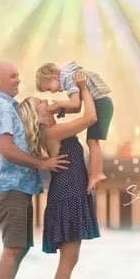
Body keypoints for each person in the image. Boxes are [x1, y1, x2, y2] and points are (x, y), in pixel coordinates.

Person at [0, 60, 68, 279]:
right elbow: (7, 150)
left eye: (18, 76)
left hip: (19, 186)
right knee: (13, 247)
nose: (18, 80)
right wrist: (42, 163)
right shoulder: (2, 110)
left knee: (20, 246)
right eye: (12, 76)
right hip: (8, 186)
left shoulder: (10, 109)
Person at [17, 70, 99, 279]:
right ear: (39, 116)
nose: (47, 103)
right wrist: (84, 88)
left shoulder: (53, 130)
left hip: (69, 190)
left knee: (71, 258)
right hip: (67, 193)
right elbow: (91, 117)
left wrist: (66, 100)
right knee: (68, 259)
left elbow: (73, 110)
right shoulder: (53, 133)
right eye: (42, 104)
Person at [35, 61, 114, 192]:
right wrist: (60, 106)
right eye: (42, 103)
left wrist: (59, 106)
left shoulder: (68, 78)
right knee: (93, 141)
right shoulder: (50, 132)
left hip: (101, 103)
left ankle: (96, 174)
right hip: (101, 103)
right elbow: (78, 108)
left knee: (92, 141)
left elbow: (76, 105)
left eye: (49, 88)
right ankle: (96, 173)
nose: (51, 95)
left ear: (52, 76)